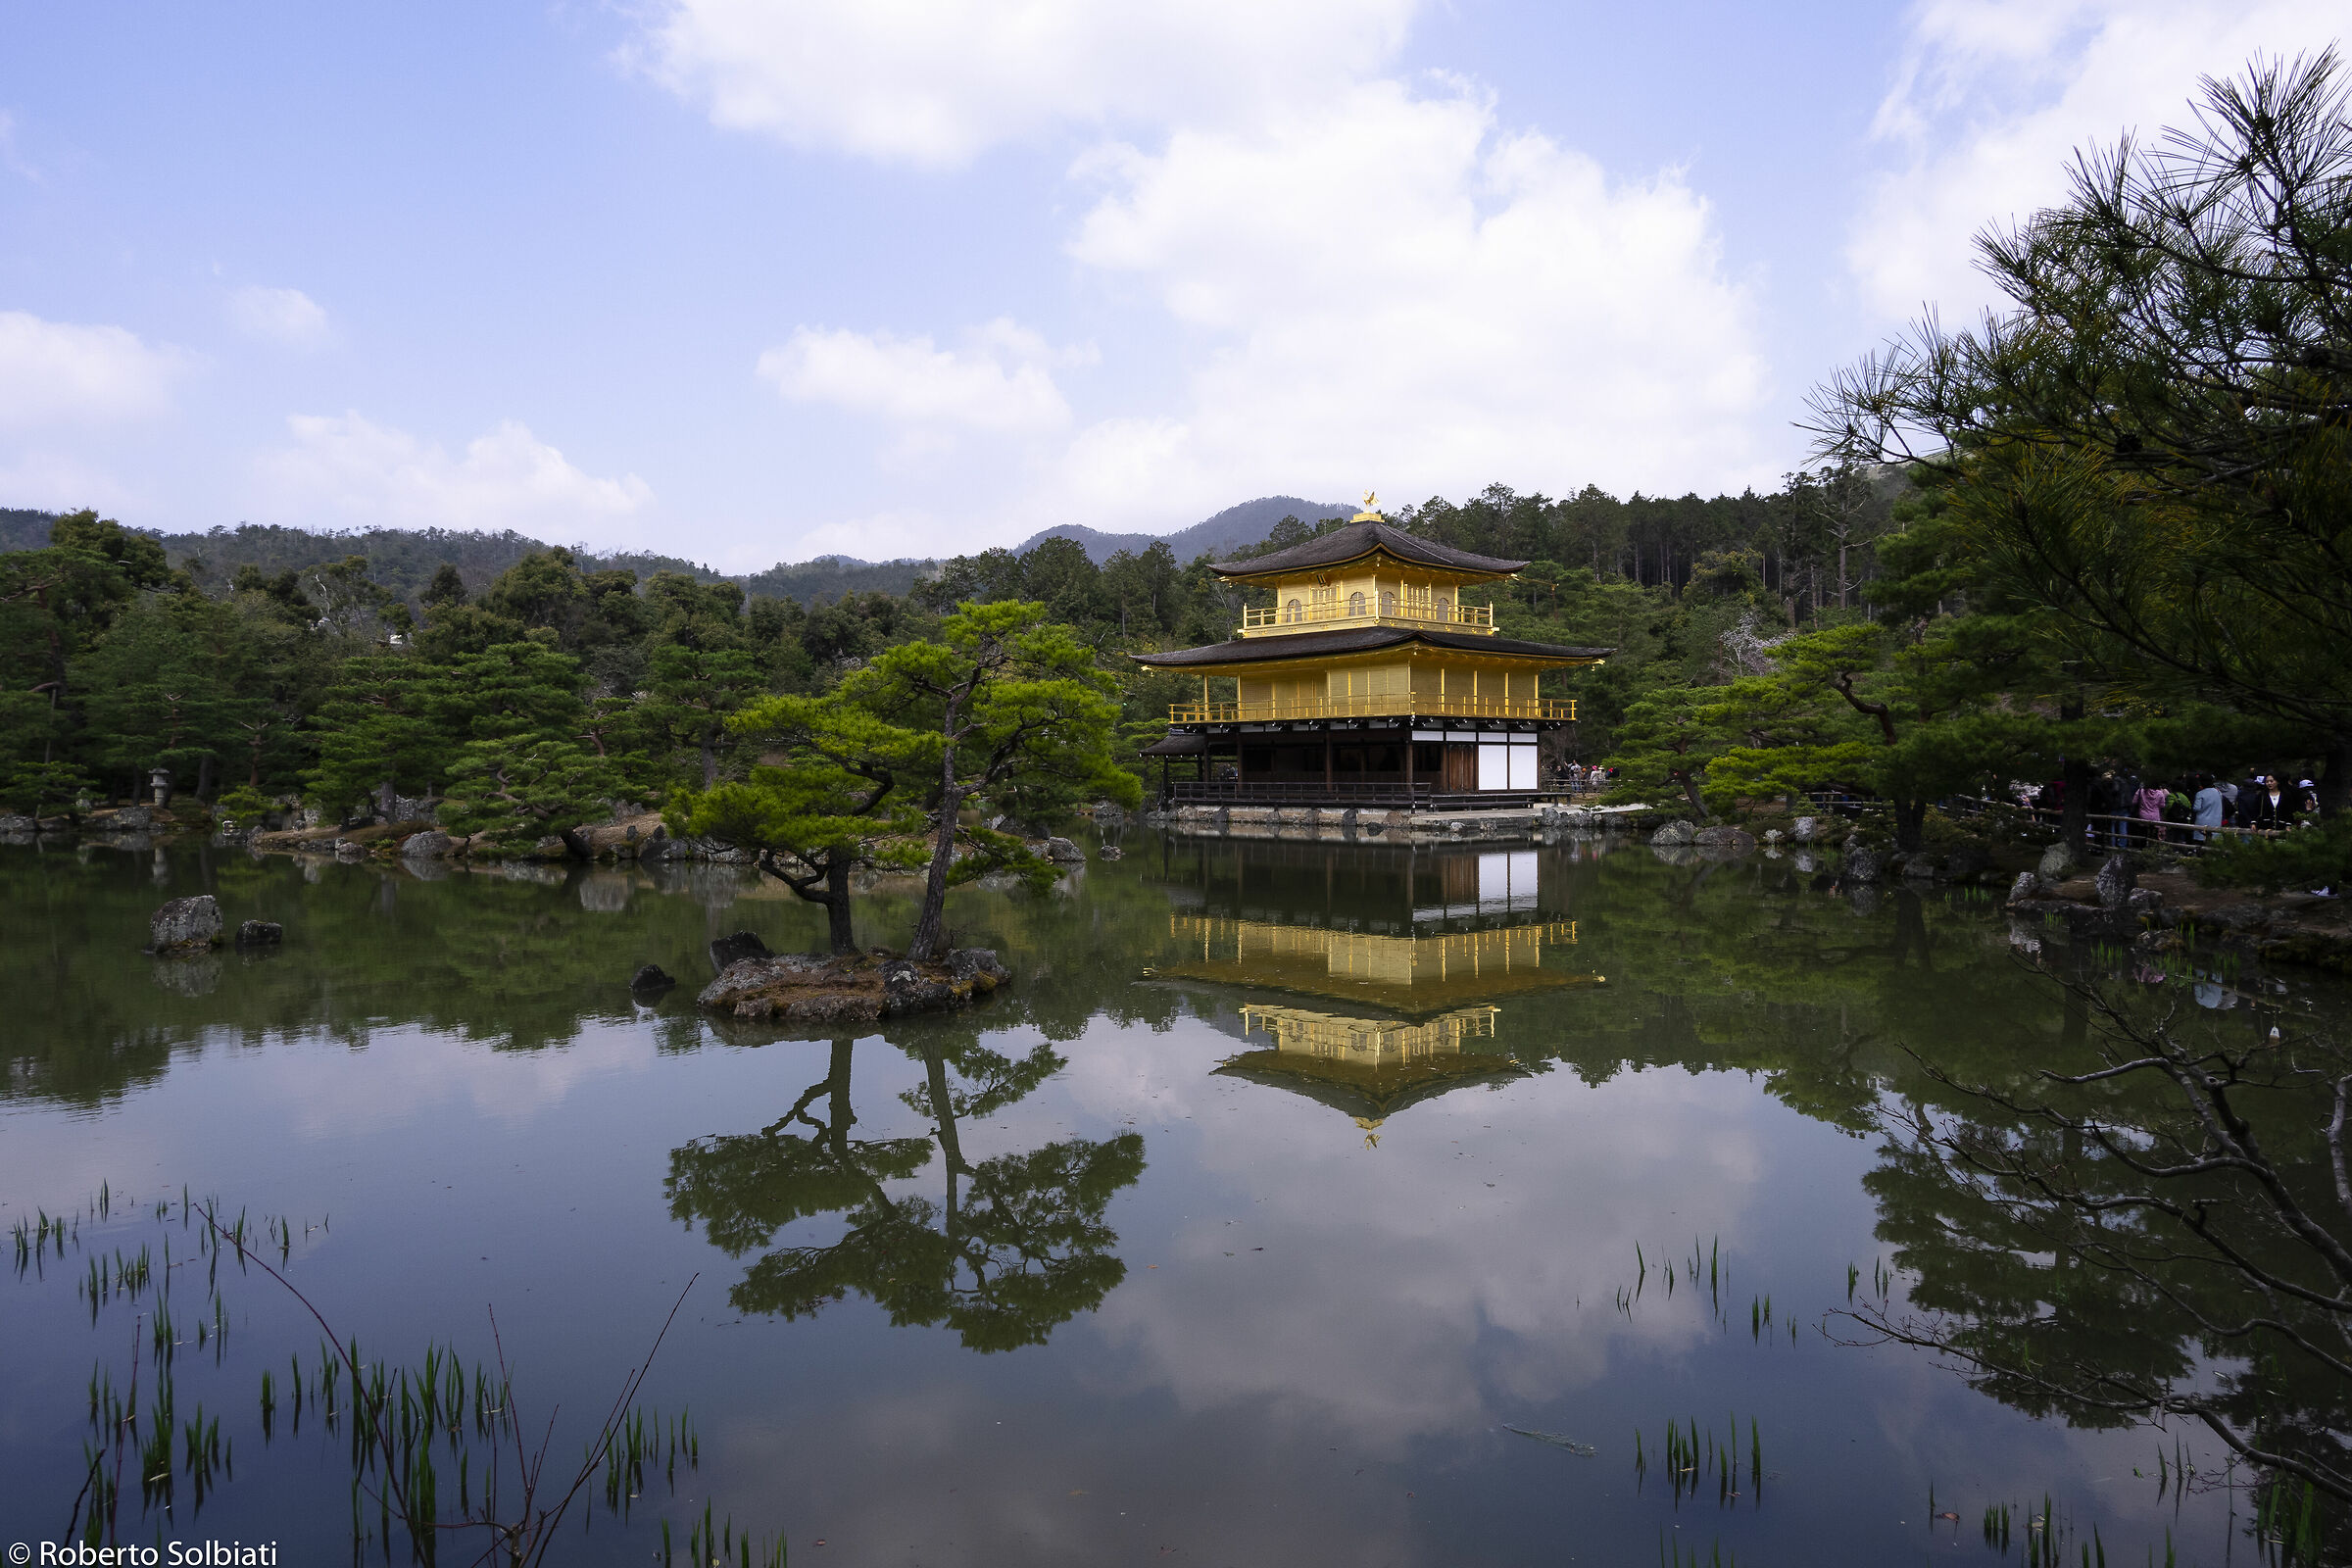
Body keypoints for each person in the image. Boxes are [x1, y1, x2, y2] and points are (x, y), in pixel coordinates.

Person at [2132, 779, 2168, 847]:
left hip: (2143, 816)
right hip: (2155, 817)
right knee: (2154, 835)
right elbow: (2162, 805)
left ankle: (2142, 848)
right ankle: (2152, 850)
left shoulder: (2141, 791)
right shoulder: (2160, 793)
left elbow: (2134, 802)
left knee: (2143, 834)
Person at [2192, 777, 2224, 842]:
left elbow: (2196, 808)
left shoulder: (2200, 794)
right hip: (2216, 821)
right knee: (2214, 841)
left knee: (2200, 841)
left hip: (2202, 821)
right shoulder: (2218, 792)